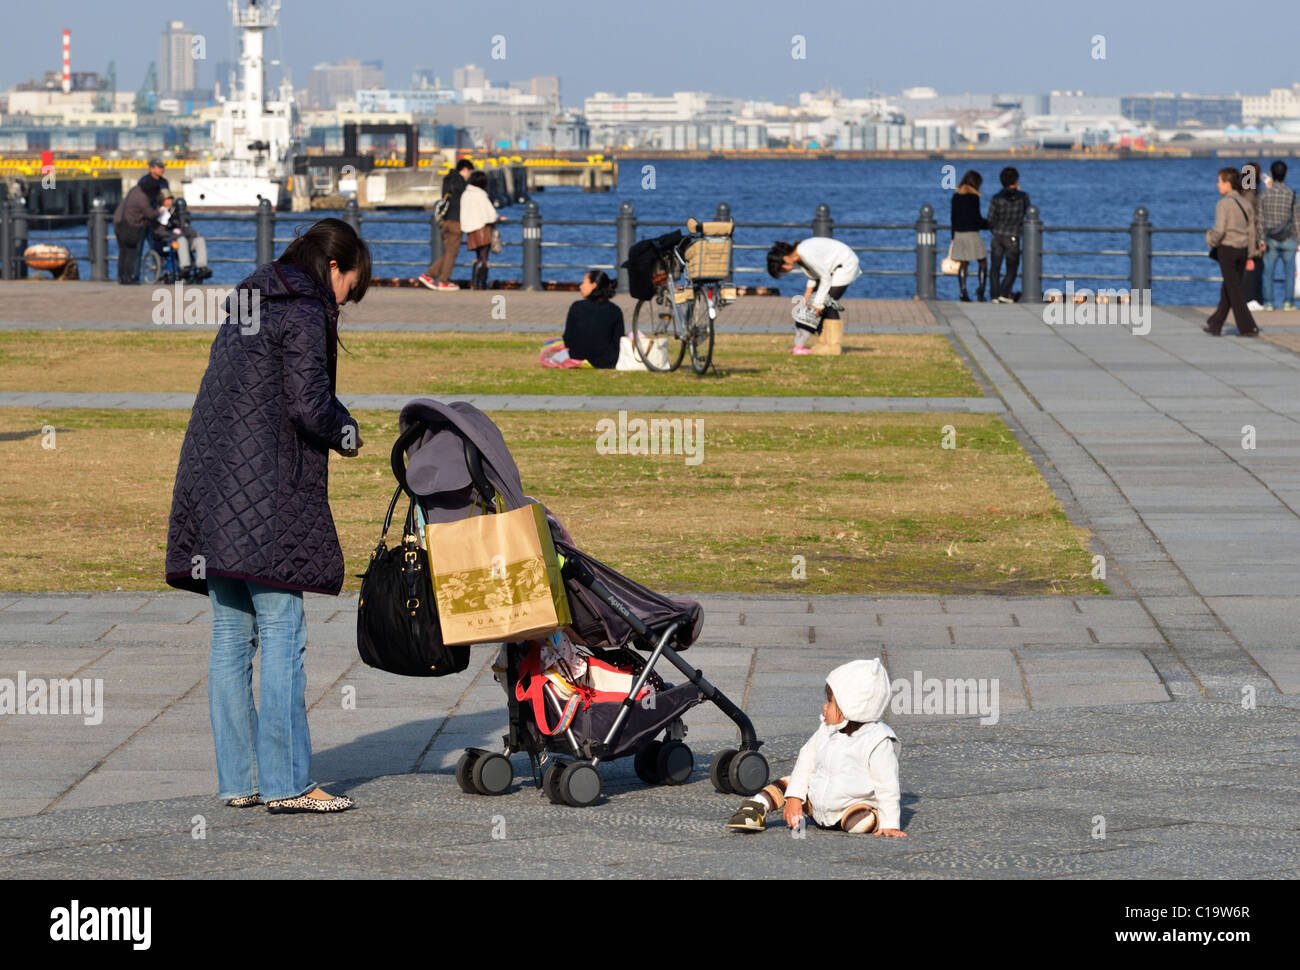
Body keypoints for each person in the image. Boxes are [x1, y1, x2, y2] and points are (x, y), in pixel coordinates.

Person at [165, 218, 371, 814]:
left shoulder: (249, 296)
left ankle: (242, 780)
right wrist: (348, 433)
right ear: (334, 268)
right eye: (349, 289)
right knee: (283, 629)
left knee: (231, 636)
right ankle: (288, 783)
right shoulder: (304, 309)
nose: (345, 303)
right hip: (267, 489)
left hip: (211, 482)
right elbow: (308, 406)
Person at [727, 658, 904, 837]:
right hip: (816, 800)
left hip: (849, 806)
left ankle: (873, 818)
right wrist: (795, 797)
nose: (824, 706)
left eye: (830, 702)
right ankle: (756, 808)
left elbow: (887, 786)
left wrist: (890, 823)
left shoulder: (877, 741)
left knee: (859, 823)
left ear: (851, 707)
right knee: (787, 783)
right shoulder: (826, 730)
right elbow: (806, 762)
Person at [766, 236, 861, 356]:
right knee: (821, 306)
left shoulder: (805, 254)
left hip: (845, 266)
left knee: (828, 303)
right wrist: (807, 296)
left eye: (781, 270)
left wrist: (818, 303)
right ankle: (823, 343)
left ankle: (832, 347)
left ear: (785, 259)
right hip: (832, 270)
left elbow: (824, 277)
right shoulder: (799, 257)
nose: (783, 272)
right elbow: (813, 275)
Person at [1205, 167, 1260, 337]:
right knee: (1228, 287)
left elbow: (1220, 230)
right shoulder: (1246, 203)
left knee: (1233, 288)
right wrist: (1252, 254)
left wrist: (1210, 238)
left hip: (1227, 250)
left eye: (1220, 181)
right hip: (1243, 250)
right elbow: (1252, 231)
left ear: (1227, 184)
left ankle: (1247, 326)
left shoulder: (1223, 204)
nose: (1217, 185)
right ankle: (1216, 323)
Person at [419, 158, 474, 290]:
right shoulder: (461, 183)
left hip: (445, 221)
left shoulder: (447, 179)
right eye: (469, 172)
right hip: (456, 221)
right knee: (452, 253)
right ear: (465, 170)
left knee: (448, 252)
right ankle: (443, 280)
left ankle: (429, 276)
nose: (469, 176)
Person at [560, 270, 623, 368]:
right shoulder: (615, 310)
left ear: (593, 285)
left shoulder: (576, 307)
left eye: (583, 282)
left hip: (577, 357)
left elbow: (568, 337)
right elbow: (618, 340)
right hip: (607, 361)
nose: (580, 286)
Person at [1259, 160, 1299, 311]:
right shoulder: (1292, 195)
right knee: (1289, 273)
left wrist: (1261, 239)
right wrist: (1298, 240)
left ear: (1271, 174)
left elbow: (1260, 220)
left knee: (1268, 273)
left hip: (1270, 240)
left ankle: (1268, 303)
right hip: (1289, 238)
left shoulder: (1264, 195)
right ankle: (1288, 302)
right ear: (1286, 174)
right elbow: (1296, 219)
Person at [987, 166, 1030, 303]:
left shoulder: (996, 198)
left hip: (998, 235)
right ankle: (1004, 292)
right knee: (1012, 267)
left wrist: (995, 230)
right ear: (1016, 180)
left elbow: (990, 219)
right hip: (1013, 235)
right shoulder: (1023, 197)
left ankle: (994, 295)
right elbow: (1028, 212)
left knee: (995, 267)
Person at [111, 175, 161, 284]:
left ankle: (121, 277)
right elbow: (150, 214)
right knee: (131, 251)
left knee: (123, 251)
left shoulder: (134, 190)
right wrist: (159, 212)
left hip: (118, 222)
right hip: (129, 225)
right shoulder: (143, 197)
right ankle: (128, 278)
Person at [152, 191, 212, 282]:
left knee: (199, 240)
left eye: (170, 199)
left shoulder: (177, 213)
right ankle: (185, 267)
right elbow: (159, 232)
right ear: (161, 201)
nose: (169, 202)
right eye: (166, 200)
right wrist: (173, 235)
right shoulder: (158, 213)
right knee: (182, 239)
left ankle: (202, 267)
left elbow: (185, 228)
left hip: (183, 240)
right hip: (167, 242)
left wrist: (194, 233)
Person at [460, 169, 504, 290]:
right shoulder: (480, 195)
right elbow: (490, 213)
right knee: (484, 257)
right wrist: (498, 218)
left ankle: (475, 282)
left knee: (478, 256)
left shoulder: (466, 194)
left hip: (471, 229)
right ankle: (481, 283)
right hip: (482, 229)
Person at [950, 170, 989, 302]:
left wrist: (952, 237)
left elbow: (953, 219)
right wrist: (989, 224)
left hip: (959, 233)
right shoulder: (974, 197)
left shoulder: (956, 196)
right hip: (972, 233)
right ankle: (981, 291)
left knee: (963, 263)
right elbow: (977, 218)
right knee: (982, 260)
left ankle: (963, 292)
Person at [1240, 162, 1265, 308]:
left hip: (1245, 237)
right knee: (1253, 269)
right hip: (1251, 238)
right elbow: (1252, 220)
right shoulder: (1251, 195)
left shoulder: (1243, 192)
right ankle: (1251, 299)